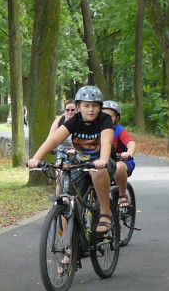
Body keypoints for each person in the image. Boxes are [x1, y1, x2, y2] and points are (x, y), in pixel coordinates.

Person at [27, 86, 116, 236]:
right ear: (78, 107)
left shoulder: (104, 119)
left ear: (100, 108)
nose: (90, 110)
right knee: (67, 201)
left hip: (103, 163)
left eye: (94, 106)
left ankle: (105, 213)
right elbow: (54, 140)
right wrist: (36, 158)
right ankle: (70, 248)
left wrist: (103, 160)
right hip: (80, 163)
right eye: (86, 105)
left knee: (98, 171)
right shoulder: (75, 121)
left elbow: (106, 142)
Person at [102, 100, 135, 211]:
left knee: (119, 167)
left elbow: (131, 143)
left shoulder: (119, 130)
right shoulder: (97, 130)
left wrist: (129, 152)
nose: (106, 118)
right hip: (104, 163)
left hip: (122, 161)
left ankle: (122, 196)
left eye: (110, 116)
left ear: (117, 118)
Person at [46, 100, 77, 195]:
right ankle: (58, 201)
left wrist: (75, 150)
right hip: (62, 152)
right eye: (68, 110)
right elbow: (50, 138)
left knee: (76, 176)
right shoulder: (59, 121)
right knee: (58, 174)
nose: (70, 112)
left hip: (77, 152)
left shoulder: (80, 122)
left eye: (73, 110)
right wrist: (48, 148)